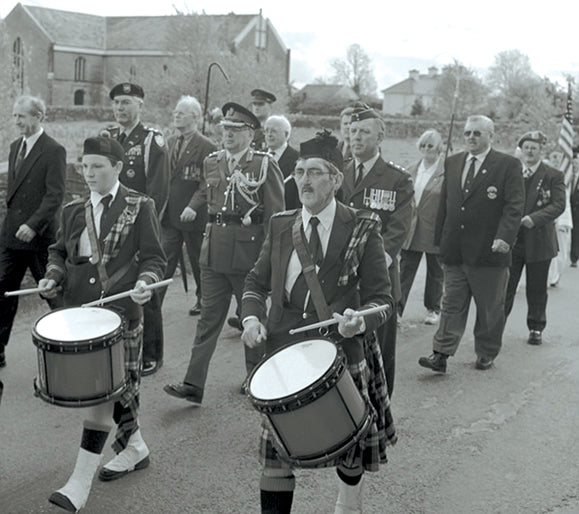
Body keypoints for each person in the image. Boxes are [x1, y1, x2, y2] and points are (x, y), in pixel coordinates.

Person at [241, 130, 396, 514]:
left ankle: (348, 502)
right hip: (283, 349)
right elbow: (255, 282)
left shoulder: (362, 226)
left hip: (340, 350)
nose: (304, 180)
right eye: (298, 172)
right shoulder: (280, 224)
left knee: (349, 443)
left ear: (336, 179)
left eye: (314, 172)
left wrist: (358, 323)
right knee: (276, 456)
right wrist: (250, 318)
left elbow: (383, 300)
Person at [38, 136, 166, 512]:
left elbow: (154, 259)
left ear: (118, 167)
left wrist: (145, 283)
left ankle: (78, 485)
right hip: (81, 317)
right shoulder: (74, 210)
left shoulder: (139, 206)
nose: (89, 173)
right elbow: (59, 251)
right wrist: (52, 274)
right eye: (84, 166)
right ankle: (136, 447)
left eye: (97, 166)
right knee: (118, 391)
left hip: (121, 315)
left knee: (102, 394)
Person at [163, 102, 284, 406]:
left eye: (235, 130)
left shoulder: (264, 165)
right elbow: (207, 196)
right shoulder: (213, 162)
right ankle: (193, 383)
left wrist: (269, 261)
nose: (228, 134)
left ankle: (256, 376)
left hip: (249, 257)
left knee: (251, 319)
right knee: (207, 321)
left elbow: (275, 217)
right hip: (213, 254)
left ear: (250, 134)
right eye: (225, 129)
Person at [418, 115, 524, 373]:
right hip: (455, 250)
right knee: (451, 304)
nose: (471, 138)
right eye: (467, 133)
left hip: (490, 251)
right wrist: (439, 242)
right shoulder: (453, 162)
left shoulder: (507, 165)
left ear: (491, 135)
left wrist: (504, 237)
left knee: (489, 308)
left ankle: (486, 352)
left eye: (477, 133)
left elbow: (514, 206)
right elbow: (445, 203)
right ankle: (440, 353)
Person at [340, 107, 414, 398]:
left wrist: (373, 265)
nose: (356, 137)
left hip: (377, 278)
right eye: (353, 131)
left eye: (364, 132)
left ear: (380, 136)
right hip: (341, 276)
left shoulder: (397, 179)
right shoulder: (339, 172)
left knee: (380, 351)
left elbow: (398, 229)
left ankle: (379, 410)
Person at [105, 82, 169, 376]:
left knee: (147, 288)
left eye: (127, 102)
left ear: (140, 106)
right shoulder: (108, 137)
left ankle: (151, 353)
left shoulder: (151, 141)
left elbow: (158, 190)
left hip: (141, 225)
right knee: (116, 286)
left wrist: (147, 228)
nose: (120, 108)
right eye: (117, 102)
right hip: (114, 228)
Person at [0, 95, 66, 368]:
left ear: (38, 116)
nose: (17, 122)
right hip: (12, 237)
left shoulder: (53, 150)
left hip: (40, 238)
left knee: (51, 291)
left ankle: (71, 342)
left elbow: (55, 195)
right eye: (15, 116)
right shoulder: (16, 146)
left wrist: (33, 224)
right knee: (3, 290)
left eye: (22, 116)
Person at [504, 131, 565, 345]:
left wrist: (535, 218)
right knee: (505, 286)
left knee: (537, 288)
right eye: (526, 147)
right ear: (521, 150)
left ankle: (536, 327)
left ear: (541, 150)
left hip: (539, 240)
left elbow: (558, 205)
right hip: (512, 240)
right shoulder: (511, 171)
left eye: (534, 147)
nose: (529, 151)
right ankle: (495, 326)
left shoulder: (553, 175)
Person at [159, 95, 217, 317]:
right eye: (175, 112)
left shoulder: (207, 146)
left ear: (195, 116)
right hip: (170, 215)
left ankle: (205, 300)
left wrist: (193, 206)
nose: (176, 115)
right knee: (164, 259)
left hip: (194, 216)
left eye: (181, 112)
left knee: (199, 261)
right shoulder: (169, 142)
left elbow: (207, 182)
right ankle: (155, 301)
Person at [399, 129, 445, 325]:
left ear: (438, 148)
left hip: (435, 228)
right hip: (412, 228)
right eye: (424, 145)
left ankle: (433, 308)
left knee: (436, 271)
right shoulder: (410, 169)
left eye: (431, 145)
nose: (427, 149)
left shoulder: (446, 172)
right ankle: (397, 310)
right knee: (405, 270)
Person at [264, 114, 300, 209]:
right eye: (266, 131)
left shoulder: (298, 159)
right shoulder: (259, 156)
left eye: (274, 131)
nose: (269, 135)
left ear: (286, 134)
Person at [570, 148, 579, 267]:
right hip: (570, 209)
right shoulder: (569, 178)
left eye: (576, 164)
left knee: (577, 233)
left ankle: (574, 257)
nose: (574, 166)